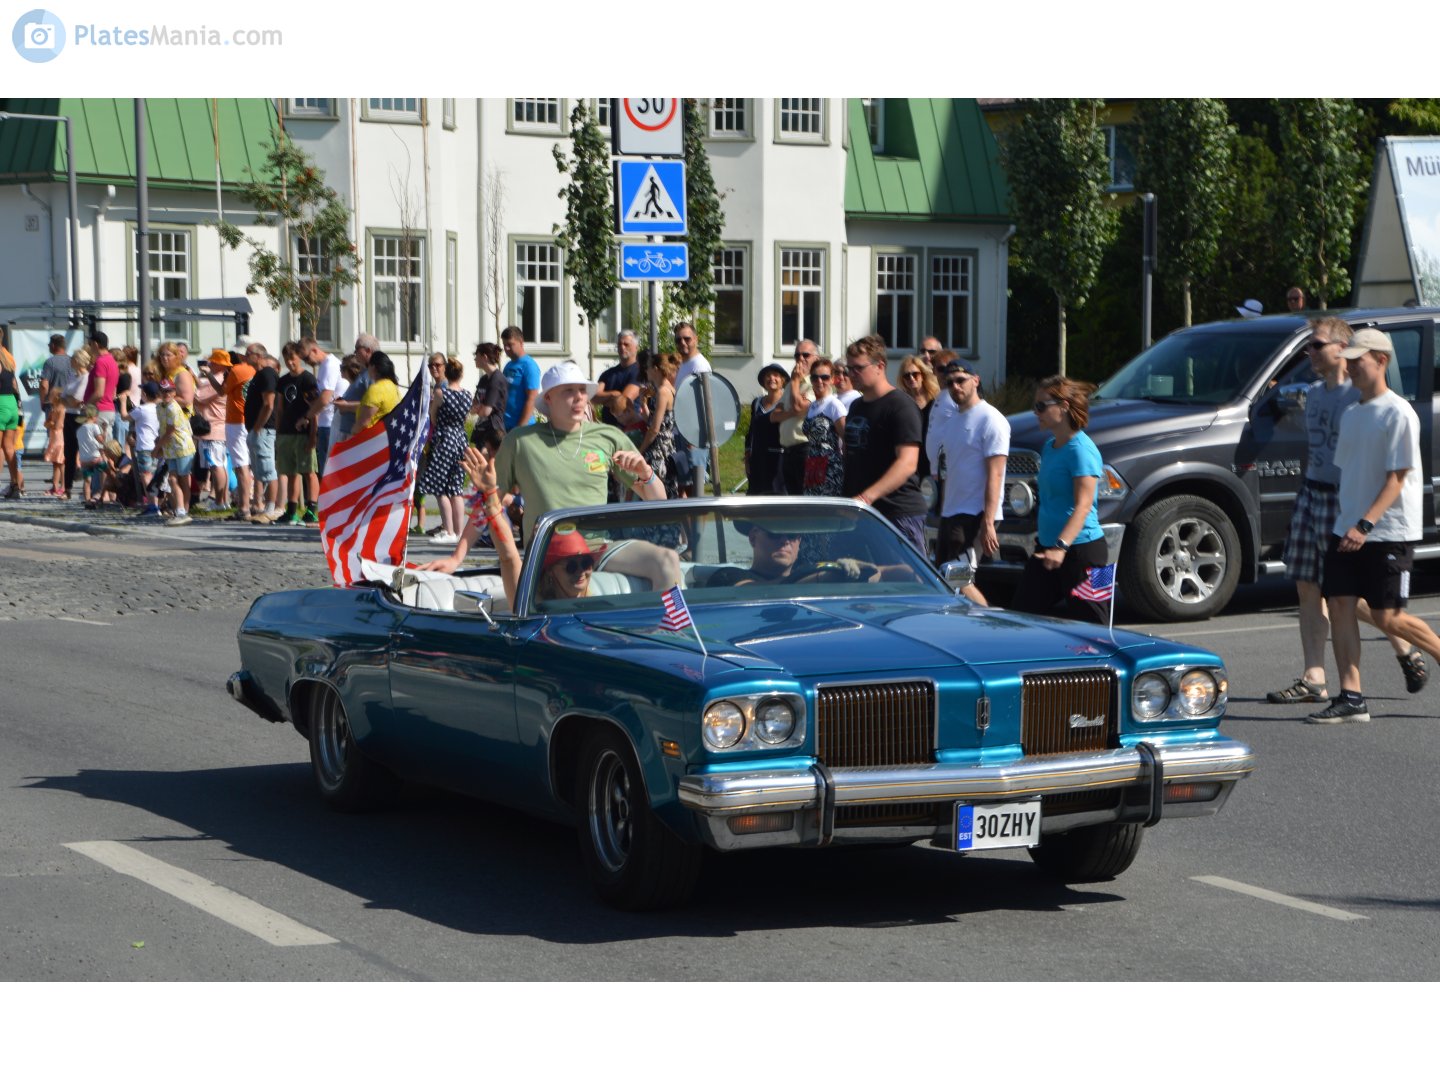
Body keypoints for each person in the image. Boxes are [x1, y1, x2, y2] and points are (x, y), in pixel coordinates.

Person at [1267, 319, 1423, 706]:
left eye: (1317, 345)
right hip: (1318, 499)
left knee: (1366, 606)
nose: (1311, 353)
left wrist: (1364, 519)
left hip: (1357, 510)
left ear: (1341, 348)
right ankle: (1324, 682)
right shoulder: (1323, 397)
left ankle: (1407, 649)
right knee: (1317, 591)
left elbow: (1392, 473)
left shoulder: (1377, 405)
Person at [420, 361, 666, 572]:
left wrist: (647, 475)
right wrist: (456, 557)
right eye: (569, 391)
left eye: (582, 390)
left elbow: (658, 500)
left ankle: (668, 629)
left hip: (597, 552)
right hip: (547, 557)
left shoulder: (608, 436)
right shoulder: (520, 441)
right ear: (548, 398)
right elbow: (488, 503)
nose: (580, 396)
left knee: (667, 562)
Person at [1309, 327, 1440, 724]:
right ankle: (1352, 697)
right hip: (1346, 528)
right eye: (1346, 359)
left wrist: (1365, 524)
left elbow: (1397, 477)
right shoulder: (1352, 414)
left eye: (1357, 360)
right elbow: (1352, 474)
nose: (1349, 366)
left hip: (1386, 531)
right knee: (1341, 605)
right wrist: (1344, 522)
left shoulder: (1398, 412)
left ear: (1381, 360)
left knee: (1388, 618)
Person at [1011, 375, 1110, 623]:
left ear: (1064, 406)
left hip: (1084, 552)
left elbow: (1084, 505)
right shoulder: (1049, 445)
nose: (1036, 412)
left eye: (1041, 406)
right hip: (1048, 549)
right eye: (1036, 406)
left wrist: (1060, 547)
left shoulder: (1082, 450)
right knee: (1022, 618)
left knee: (1095, 628)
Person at [926, 358, 1009, 605]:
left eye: (960, 380)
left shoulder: (991, 419)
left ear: (975, 380)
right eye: (950, 382)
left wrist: (989, 522)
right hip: (951, 513)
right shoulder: (952, 422)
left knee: (958, 579)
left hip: (976, 514)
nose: (955, 387)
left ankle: (989, 624)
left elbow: (995, 474)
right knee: (942, 579)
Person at [840, 335, 928, 552]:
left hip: (896, 513)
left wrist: (866, 497)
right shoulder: (855, 407)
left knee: (903, 582)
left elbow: (907, 463)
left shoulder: (900, 406)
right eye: (848, 368)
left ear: (880, 366)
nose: (852, 374)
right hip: (859, 513)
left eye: (858, 368)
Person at [707, 520, 915, 589]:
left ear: (799, 542)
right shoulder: (727, 577)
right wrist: (826, 574)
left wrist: (863, 569)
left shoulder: (812, 575)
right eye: (775, 532)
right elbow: (763, 591)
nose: (785, 540)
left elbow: (904, 573)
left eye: (792, 535)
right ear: (753, 537)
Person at [417, 354, 473, 545]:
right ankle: (459, 531)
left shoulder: (442, 394)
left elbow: (432, 417)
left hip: (444, 439)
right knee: (456, 488)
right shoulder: (467, 395)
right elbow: (465, 419)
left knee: (441, 488)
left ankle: (448, 530)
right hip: (460, 440)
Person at [275, 342, 320, 525]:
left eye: (293, 359)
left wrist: (313, 435)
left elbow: (315, 408)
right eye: (287, 360)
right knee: (291, 471)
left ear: (299, 358)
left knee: (309, 470)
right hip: (287, 431)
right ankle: (291, 510)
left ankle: (312, 509)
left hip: (303, 432)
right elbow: (279, 408)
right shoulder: (283, 381)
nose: (290, 363)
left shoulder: (308, 379)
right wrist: (278, 432)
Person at [672, 321, 712, 492]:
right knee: (683, 485)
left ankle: (697, 520)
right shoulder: (683, 364)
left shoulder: (699, 365)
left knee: (695, 489)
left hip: (693, 433)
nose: (683, 343)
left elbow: (705, 404)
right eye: (678, 340)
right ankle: (686, 520)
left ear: (696, 339)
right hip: (680, 430)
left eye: (687, 339)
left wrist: (696, 436)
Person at [242, 344, 281, 521]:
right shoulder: (258, 375)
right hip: (254, 428)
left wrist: (258, 427)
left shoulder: (267, 373)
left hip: (263, 429)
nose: (245, 357)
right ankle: (264, 505)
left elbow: (269, 404)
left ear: (258, 356)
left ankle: (271, 507)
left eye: (248, 354)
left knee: (268, 469)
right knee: (259, 470)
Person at [773, 341, 815, 494]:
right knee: (792, 497)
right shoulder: (791, 385)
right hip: (788, 450)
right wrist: (793, 411)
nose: (801, 358)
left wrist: (796, 381)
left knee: (804, 497)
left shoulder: (815, 383)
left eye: (806, 355)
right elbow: (774, 416)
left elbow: (799, 407)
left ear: (815, 358)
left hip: (804, 448)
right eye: (797, 355)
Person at [801, 356, 846, 498]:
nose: (819, 381)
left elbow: (846, 438)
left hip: (830, 467)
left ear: (832, 379)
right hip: (812, 465)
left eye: (824, 377)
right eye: (815, 377)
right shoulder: (812, 406)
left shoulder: (834, 405)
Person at [638, 352, 681, 500]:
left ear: (655, 369)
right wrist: (643, 403)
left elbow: (655, 429)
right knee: (667, 492)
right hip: (668, 446)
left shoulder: (663, 392)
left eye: (648, 368)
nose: (646, 371)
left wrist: (640, 451)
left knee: (656, 494)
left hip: (659, 450)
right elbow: (655, 421)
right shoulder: (668, 389)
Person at [219, 346, 255, 521]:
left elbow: (222, 391)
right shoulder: (253, 369)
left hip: (236, 420)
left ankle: (244, 507)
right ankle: (253, 504)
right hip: (248, 420)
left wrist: (211, 375)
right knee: (248, 465)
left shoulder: (237, 370)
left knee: (241, 467)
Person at [299, 336, 343, 476]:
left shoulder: (329, 365)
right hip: (328, 423)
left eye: (306, 358)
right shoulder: (326, 365)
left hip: (330, 424)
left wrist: (306, 417)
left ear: (314, 350)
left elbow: (325, 398)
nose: (307, 362)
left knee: (328, 471)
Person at [154, 380, 196, 525]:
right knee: (172, 479)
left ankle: (184, 510)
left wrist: (157, 447)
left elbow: (171, 431)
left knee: (183, 479)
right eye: (163, 391)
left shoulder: (173, 407)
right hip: (170, 447)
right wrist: (159, 442)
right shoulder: (159, 407)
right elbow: (163, 428)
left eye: (169, 391)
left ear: (174, 393)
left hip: (181, 446)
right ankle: (180, 511)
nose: (166, 394)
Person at [745, 364, 788, 496]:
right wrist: (747, 455)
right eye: (768, 376)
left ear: (782, 380)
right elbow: (751, 431)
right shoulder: (757, 403)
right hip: (758, 459)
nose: (771, 378)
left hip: (778, 460)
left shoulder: (787, 403)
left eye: (776, 375)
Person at [898, 354, 940, 482]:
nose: (911, 378)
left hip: (932, 461)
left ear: (923, 375)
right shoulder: (902, 402)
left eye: (915, 374)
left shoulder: (937, 401)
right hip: (911, 460)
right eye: (906, 376)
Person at [594, 329, 643, 429]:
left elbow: (623, 402)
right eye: (620, 344)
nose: (622, 347)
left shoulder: (640, 372)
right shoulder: (607, 374)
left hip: (630, 430)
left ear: (636, 347)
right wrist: (614, 394)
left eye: (626, 344)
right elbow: (593, 397)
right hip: (608, 428)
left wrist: (604, 399)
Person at [332, 334, 376, 438]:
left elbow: (372, 406)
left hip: (357, 433)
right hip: (349, 431)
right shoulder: (364, 372)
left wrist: (346, 406)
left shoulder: (371, 374)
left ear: (368, 351)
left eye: (357, 349)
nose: (354, 353)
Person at [468, 342, 508, 451]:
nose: (475, 359)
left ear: (484, 357)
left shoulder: (497, 379)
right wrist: (478, 408)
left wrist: (479, 409)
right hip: (481, 429)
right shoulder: (483, 379)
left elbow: (486, 411)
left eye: (476, 356)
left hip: (493, 431)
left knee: (488, 464)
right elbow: (473, 407)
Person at [499, 326, 541, 431]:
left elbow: (532, 398)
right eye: (504, 345)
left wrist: (520, 428)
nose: (506, 348)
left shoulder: (529, 366)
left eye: (510, 344)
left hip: (522, 427)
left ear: (521, 342)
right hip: (505, 425)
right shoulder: (508, 365)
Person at [131, 379, 162, 517]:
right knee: (155, 476)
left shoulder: (141, 409)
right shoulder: (160, 408)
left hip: (144, 446)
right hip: (157, 445)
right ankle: (156, 504)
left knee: (146, 476)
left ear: (144, 394)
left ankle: (152, 505)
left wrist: (123, 402)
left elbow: (126, 417)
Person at [86, 330, 120, 441]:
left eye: (90, 344)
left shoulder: (101, 362)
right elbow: (112, 390)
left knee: (99, 449)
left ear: (95, 344)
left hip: (99, 410)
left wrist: (86, 405)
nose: (89, 347)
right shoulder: (111, 361)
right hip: (108, 409)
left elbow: (99, 392)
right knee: (105, 446)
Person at [355, 350, 401, 430]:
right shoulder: (393, 386)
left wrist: (352, 432)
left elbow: (364, 423)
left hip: (371, 438)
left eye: (367, 365)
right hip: (388, 434)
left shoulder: (376, 389)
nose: (367, 368)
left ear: (373, 367)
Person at [0, 338, 20, 499]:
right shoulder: (8, 358)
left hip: (0, 403)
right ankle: (15, 485)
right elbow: (14, 384)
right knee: (9, 448)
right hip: (11, 403)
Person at [75, 404, 105, 508]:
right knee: (104, 473)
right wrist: (104, 430)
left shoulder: (79, 430)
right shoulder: (94, 427)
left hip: (84, 459)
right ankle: (102, 496)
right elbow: (101, 440)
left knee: (87, 481)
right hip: (95, 457)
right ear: (93, 417)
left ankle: (87, 501)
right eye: (97, 416)